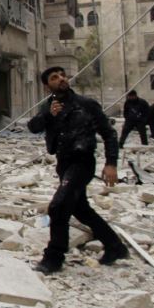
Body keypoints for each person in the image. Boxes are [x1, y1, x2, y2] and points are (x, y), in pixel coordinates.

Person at [27, 66, 128, 275]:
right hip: (64, 163)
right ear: (47, 86)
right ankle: (115, 246)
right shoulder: (50, 107)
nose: (61, 79)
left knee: (57, 206)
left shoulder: (85, 105)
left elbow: (108, 133)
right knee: (81, 209)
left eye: (62, 75)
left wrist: (111, 163)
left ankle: (54, 257)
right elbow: (33, 127)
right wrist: (48, 116)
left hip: (82, 162)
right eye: (55, 78)